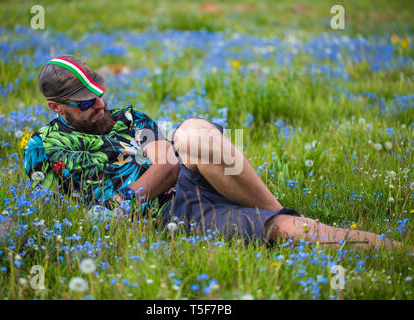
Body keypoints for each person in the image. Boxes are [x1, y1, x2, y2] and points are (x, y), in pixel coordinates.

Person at [24, 55, 400, 249]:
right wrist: (137, 193)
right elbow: (102, 205)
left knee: (192, 133)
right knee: (287, 231)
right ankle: (394, 250)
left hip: (188, 174)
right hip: (175, 213)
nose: (100, 106)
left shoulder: (128, 116)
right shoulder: (45, 148)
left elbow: (168, 164)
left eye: (100, 94)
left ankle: (271, 207)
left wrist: (135, 190)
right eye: (87, 102)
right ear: (56, 107)